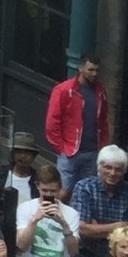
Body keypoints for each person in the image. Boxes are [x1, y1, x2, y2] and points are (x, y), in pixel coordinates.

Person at [46, 57, 108, 196]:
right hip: (69, 151)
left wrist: (102, 145)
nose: (94, 74)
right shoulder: (63, 90)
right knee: (63, 191)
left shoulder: (100, 91)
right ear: (80, 68)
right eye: (90, 70)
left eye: (97, 70)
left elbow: (103, 120)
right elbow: (52, 121)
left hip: (92, 152)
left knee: (86, 193)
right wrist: (60, 148)